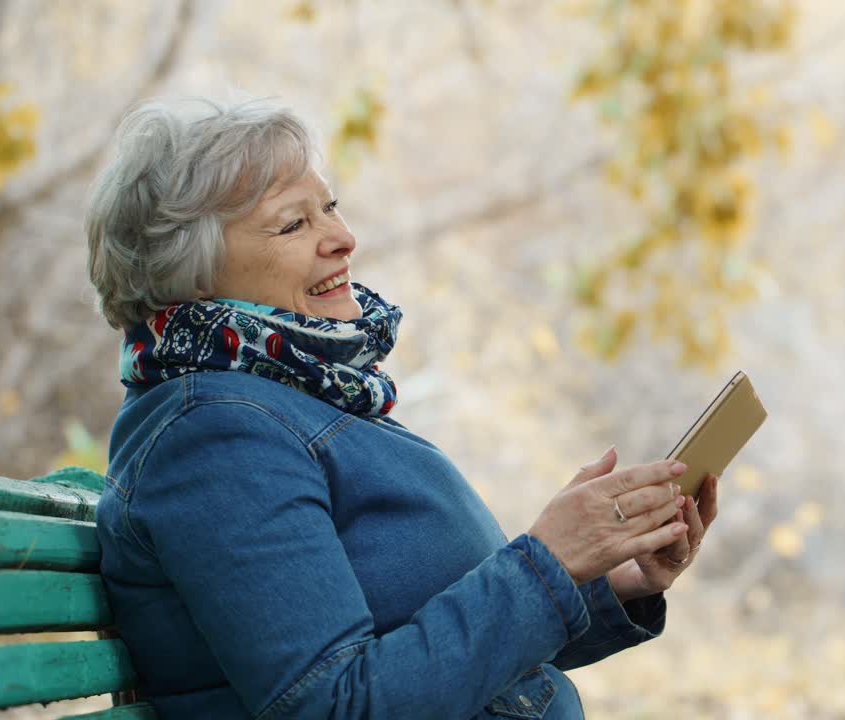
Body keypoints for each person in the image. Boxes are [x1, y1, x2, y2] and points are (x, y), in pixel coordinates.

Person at [85, 94, 720, 719]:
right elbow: (336, 706)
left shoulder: (284, 396)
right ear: (194, 274)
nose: (343, 238)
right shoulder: (213, 438)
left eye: (329, 207)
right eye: (293, 223)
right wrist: (546, 562)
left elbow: (450, 656)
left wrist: (607, 576)